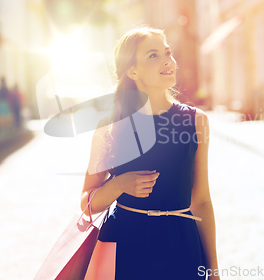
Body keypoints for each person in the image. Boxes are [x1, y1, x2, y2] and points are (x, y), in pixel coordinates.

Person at [80, 26, 221, 280]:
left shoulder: (196, 121)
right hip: (125, 246)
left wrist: (213, 271)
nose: (168, 60)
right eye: (153, 55)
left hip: (182, 245)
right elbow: (87, 204)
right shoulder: (109, 127)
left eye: (168, 52)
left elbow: (201, 201)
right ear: (132, 71)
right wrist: (119, 185)